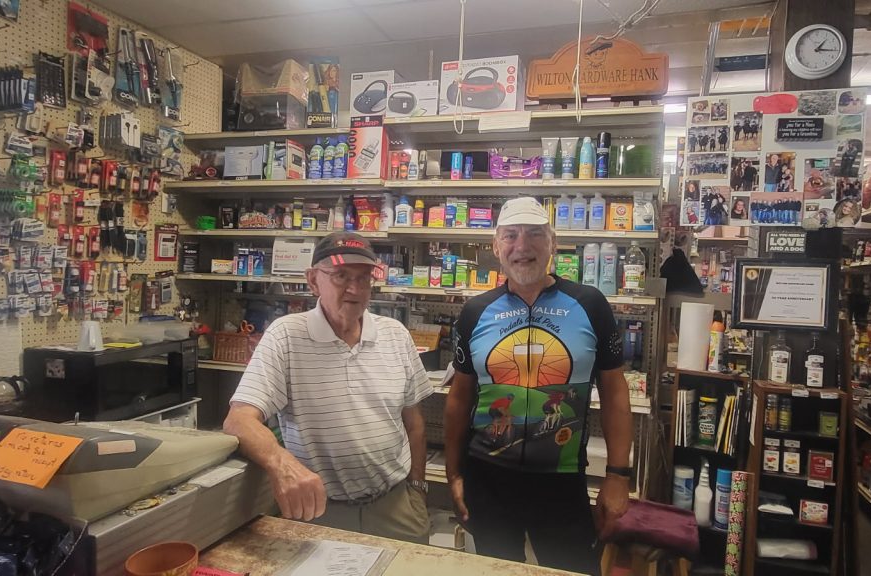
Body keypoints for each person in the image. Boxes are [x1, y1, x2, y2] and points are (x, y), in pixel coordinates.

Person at [443, 197, 633, 575]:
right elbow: (459, 398)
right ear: (496, 246)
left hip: (562, 481)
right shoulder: (475, 311)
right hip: (488, 479)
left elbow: (615, 392)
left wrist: (617, 476)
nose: (522, 246)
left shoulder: (589, 304)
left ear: (553, 243)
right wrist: (455, 475)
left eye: (534, 234)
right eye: (510, 235)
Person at [223, 232, 432, 543]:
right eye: (341, 276)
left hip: (396, 506)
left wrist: (417, 489)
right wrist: (282, 464)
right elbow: (238, 420)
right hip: (319, 510)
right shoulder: (286, 336)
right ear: (313, 280)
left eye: (363, 278)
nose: (354, 289)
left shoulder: (395, 334)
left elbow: (414, 425)